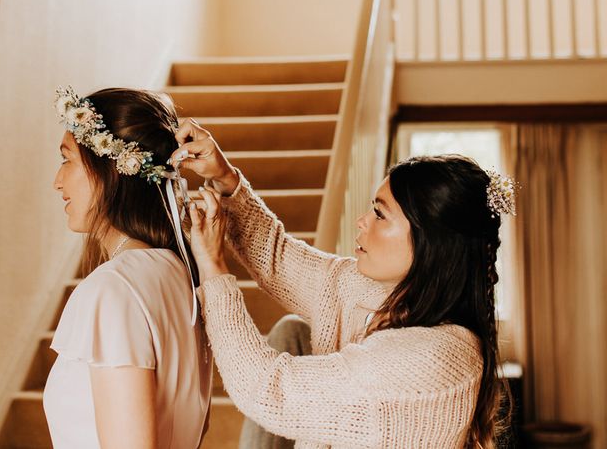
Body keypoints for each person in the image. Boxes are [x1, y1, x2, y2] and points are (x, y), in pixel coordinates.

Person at [172, 118, 515, 449]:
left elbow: (268, 389)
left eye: (380, 214)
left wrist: (213, 267)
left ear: (432, 243)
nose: (362, 222)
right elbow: (277, 258)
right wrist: (224, 177)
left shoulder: (432, 359)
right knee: (292, 331)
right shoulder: (380, 292)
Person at [43, 87, 212, 449]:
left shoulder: (113, 289)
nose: (57, 181)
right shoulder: (179, 275)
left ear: (111, 169)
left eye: (67, 159)